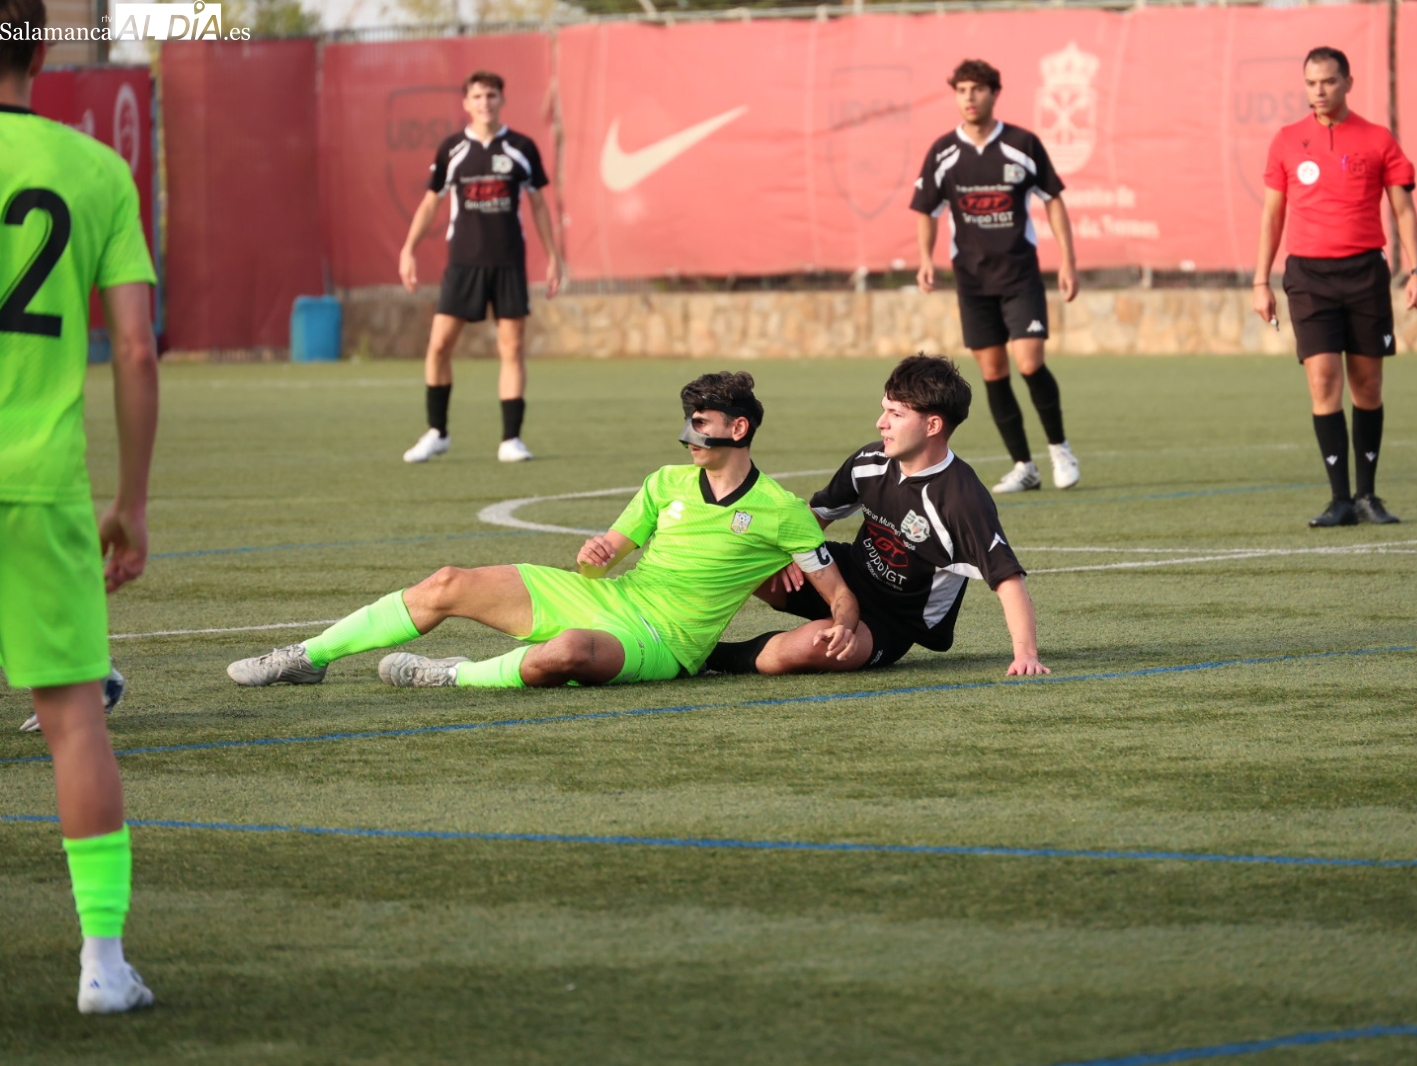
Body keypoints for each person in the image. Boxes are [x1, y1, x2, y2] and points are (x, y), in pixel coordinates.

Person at [228, 373, 859, 689]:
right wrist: (596, 555)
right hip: (610, 598)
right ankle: (307, 658)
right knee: (448, 582)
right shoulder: (664, 482)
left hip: (666, 645)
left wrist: (845, 624)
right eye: (687, 423)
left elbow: (837, 593)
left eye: (700, 423)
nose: (688, 434)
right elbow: (606, 558)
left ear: (737, 430)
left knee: (570, 653)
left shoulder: (780, 510)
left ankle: (452, 675)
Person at [0, 0, 161, 1013]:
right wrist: (131, 504)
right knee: (71, 722)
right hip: (42, 482)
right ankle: (102, 965)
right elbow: (137, 350)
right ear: (44, 46)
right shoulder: (95, 169)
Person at [707, 355, 1050, 678]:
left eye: (896, 414)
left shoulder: (961, 500)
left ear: (932, 425)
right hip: (844, 576)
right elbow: (816, 516)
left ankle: (708, 658)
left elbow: (1008, 581)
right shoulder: (871, 460)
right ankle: (674, 635)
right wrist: (784, 558)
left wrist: (1026, 654)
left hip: (892, 621)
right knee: (743, 552)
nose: (881, 422)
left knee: (815, 647)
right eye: (884, 409)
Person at [1252, 46, 1417, 527]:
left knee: (1367, 384)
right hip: (1308, 277)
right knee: (1323, 377)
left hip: (1365, 273)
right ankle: (1340, 500)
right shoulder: (1287, 141)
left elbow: (1404, 210)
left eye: (1328, 81)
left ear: (1348, 82)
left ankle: (1368, 496)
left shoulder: (1377, 139)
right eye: (1311, 83)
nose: (1319, 91)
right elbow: (1272, 215)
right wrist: (1260, 281)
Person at [911, 58, 1082, 495]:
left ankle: (1060, 448)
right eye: (962, 90)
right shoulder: (943, 152)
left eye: (977, 89)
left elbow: (1054, 199)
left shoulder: (1023, 144)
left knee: (1030, 362)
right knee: (992, 372)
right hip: (971, 280)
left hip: (1020, 275)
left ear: (994, 93)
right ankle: (1024, 466)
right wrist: (925, 258)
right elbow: (926, 211)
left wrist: (1067, 259)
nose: (969, 97)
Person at [397, 70, 564, 465]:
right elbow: (430, 203)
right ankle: (437, 432)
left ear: (501, 100)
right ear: (466, 103)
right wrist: (408, 249)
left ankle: (511, 439)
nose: (484, 102)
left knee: (512, 348)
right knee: (438, 346)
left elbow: (539, 205)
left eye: (491, 95)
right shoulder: (452, 149)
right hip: (464, 264)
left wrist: (554, 255)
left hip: (508, 263)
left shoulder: (521, 147)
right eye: (477, 96)